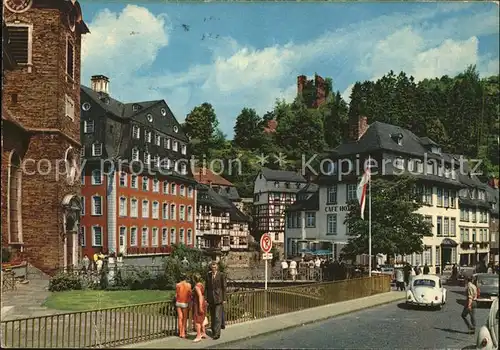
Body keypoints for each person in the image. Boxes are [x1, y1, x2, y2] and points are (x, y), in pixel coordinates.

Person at [205, 261, 226, 340]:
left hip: (218, 298)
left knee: (217, 316)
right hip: (211, 298)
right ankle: (214, 331)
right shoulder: (208, 275)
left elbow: (224, 287)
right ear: (211, 267)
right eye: (212, 267)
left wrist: (224, 299)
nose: (213, 268)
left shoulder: (221, 275)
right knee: (213, 316)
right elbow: (206, 288)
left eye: (215, 267)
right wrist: (206, 299)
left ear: (217, 267)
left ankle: (217, 334)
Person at [175, 273, 192, 338]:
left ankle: (180, 333)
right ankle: (183, 332)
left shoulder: (178, 285)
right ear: (185, 278)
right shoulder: (188, 285)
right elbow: (190, 295)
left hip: (178, 302)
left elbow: (176, 294)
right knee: (184, 318)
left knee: (180, 318)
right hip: (185, 303)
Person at [192, 274, 207, 343]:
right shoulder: (201, 284)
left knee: (197, 319)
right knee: (202, 318)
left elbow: (200, 296)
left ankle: (198, 336)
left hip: (198, 304)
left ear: (194, 279)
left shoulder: (196, 286)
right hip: (203, 302)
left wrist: (200, 306)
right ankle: (203, 333)